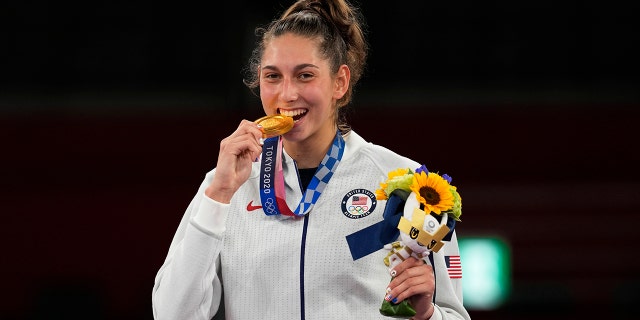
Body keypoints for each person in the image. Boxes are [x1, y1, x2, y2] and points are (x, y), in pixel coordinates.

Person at [152, 0, 471, 319]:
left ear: (340, 82)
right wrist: (219, 195)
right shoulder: (225, 185)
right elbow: (171, 315)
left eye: (305, 75)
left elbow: (454, 314)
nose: (287, 94)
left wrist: (427, 315)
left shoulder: (408, 183)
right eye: (272, 76)